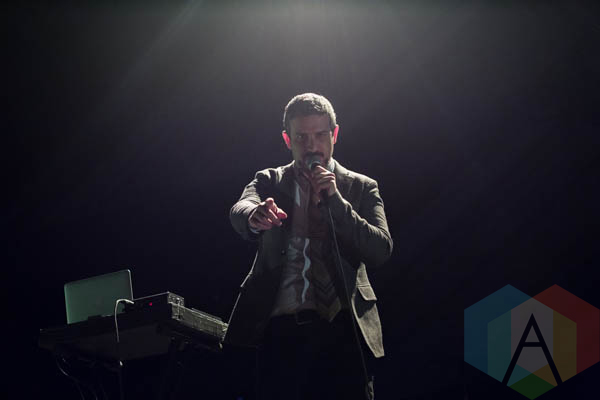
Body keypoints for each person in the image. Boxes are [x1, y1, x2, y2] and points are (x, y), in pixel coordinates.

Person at [225, 93, 393, 400]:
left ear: (335, 134)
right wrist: (254, 215)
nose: (312, 146)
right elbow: (241, 208)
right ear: (287, 139)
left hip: (345, 334)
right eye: (301, 137)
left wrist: (337, 203)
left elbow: (380, 249)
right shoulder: (270, 180)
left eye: (320, 135)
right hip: (280, 333)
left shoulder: (362, 187)